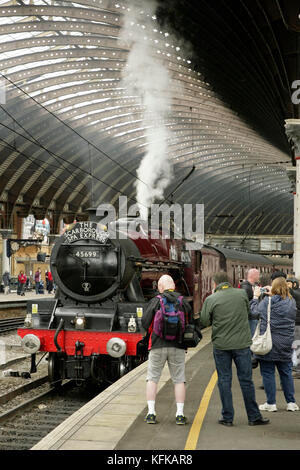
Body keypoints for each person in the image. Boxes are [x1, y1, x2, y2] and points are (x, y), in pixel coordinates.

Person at [200, 271, 269, 427]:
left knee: (224, 380)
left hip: (221, 345)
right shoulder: (242, 294)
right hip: (242, 345)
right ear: (229, 282)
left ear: (214, 284)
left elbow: (204, 320)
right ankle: (253, 416)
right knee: (246, 380)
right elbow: (247, 313)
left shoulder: (211, 299)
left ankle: (227, 417)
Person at [141, 274, 194, 425]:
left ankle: (151, 413)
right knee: (179, 380)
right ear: (174, 286)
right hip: (177, 346)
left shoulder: (156, 301)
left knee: (152, 379)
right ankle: (179, 414)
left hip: (157, 345)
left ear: (160, 287)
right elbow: (190, 325)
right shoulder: (183, 302)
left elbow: (145, 323)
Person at [251, 277, 298, 412]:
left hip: (269, 343)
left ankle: (271, 403)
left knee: (268, 373)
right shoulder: (291, 302)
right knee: (286, 372)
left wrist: (255, 297)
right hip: (286, 342)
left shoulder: (267, 301)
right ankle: (291, 402)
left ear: (273, 287)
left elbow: (254, 312)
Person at [286, 277, 300, 378]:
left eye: (289, 284)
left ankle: (298, 369)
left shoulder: (296, 293)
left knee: (297, 345)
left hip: (297, 323)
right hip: (294, 322)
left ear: (294, 284)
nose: (287, 286)